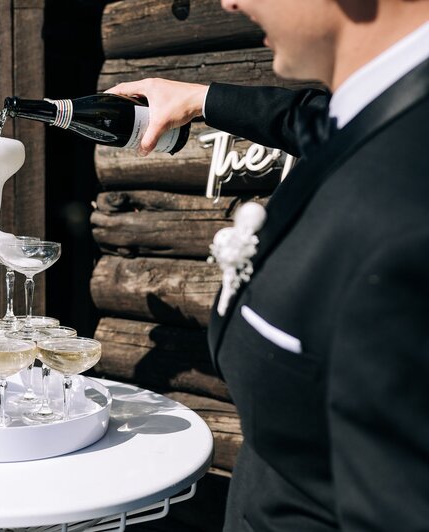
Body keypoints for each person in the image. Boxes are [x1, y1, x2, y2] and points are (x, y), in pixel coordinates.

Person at [107, 1, 429, 530]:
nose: (230, 1)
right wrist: (201, 98)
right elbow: (319, 122)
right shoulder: (381, 116)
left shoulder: (410, 201)